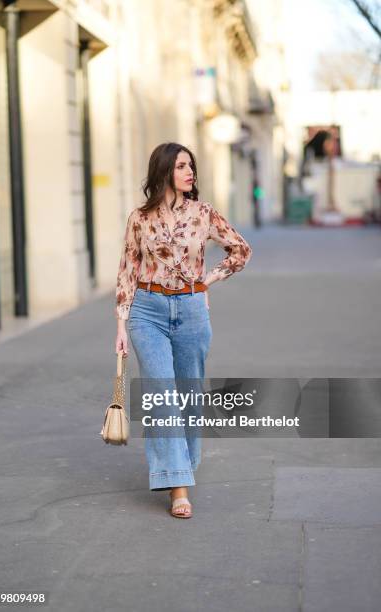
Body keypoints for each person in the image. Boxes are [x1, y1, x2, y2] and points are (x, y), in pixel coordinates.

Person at [114, 142, 252, 518]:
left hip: (191, 309)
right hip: (147, 310)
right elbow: (127, 269)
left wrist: (208, 281)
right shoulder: (139, 218)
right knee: (162, 396)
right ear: (163, 173)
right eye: (180, 166)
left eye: (190, 165)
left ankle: (183, 464)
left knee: (188, 393)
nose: (190, 172)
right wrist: (121, 324)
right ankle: (179, 486)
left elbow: (240, 250)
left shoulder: (204, 213)